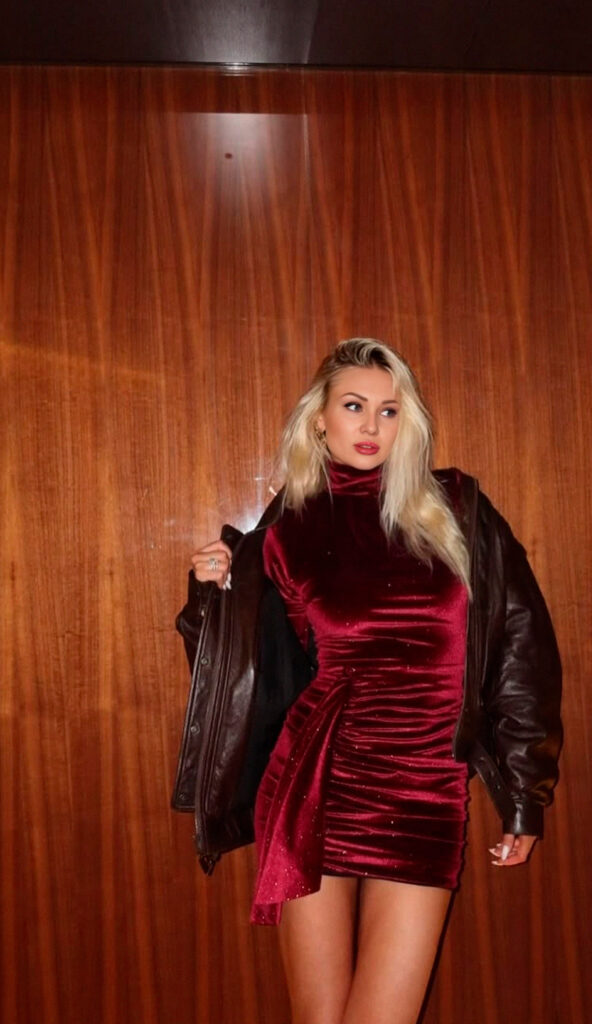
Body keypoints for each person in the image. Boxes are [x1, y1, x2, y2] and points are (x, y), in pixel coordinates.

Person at [173, 338, 562, 1024]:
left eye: (390, 410)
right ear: (319, 418)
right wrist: (211, 595)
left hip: (425, 785)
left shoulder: (458, 509)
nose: (372, 426)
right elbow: (244, 674)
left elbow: (523, 654)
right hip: (316, 780)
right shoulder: (288, 529)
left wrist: (526, 795)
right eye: (354, 406)